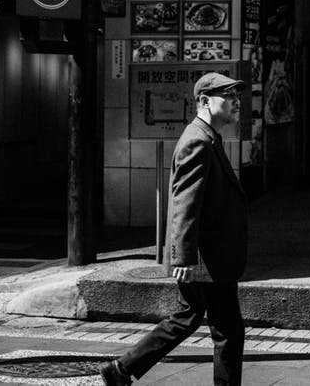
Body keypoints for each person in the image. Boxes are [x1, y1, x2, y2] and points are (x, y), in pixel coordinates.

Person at [101, 72, 248, 386]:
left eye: (238, 96)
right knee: (229, 332)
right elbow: (184, 202)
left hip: (209, 257)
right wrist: (182, 258)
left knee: (187, 316)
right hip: (207, 259)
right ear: (205, 101)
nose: (237, 102)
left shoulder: (208, 137)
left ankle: (121, 369)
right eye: (229, 96)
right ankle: (121, 369)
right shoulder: (198, 140)